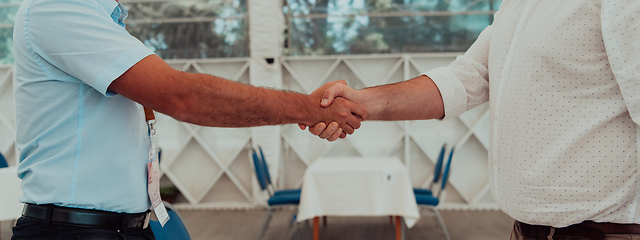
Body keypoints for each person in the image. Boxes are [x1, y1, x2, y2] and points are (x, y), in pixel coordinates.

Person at [10, 0, 364, 239]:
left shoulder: (104, 20)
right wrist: (307, 108)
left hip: (119, 228)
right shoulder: (59, 6)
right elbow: (182, 97)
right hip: (75, 232)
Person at [304, 1, 640, 239]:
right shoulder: (515, 6)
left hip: (604, 232)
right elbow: (466, 78)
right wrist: (363, 102)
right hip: (524, 230)